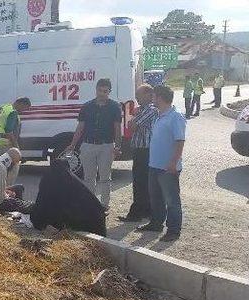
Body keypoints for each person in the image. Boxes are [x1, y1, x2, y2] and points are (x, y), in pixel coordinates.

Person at [137, 85, 186, 242]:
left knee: (172, 200)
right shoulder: (159, 115)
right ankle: (156, 223)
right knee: (156, 197)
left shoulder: (175, 116)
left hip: (168, 168)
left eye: (154, 96)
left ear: (160, 98)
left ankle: (173, 230)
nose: (152, 99)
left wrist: (173, 162)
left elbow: (180, 141)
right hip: (154, 165)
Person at [65, 78, 122, 208]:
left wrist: (118, 146)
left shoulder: (115, 107)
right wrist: (73, 144)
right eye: (100, 90)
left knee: (105, 178)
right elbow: (80, 127)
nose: (102, 94)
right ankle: (90, 204)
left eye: (105, 91)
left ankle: (104, 205)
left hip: (106, 146)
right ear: (96, 90)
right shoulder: (86, 106)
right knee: (89, 178)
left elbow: (117, 128)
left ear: (109, 92)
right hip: (88, 145)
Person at [30, 159, 106, 236]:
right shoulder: (74, 181)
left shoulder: (49, 179)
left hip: (84, 226)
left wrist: (39, 221)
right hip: (98, 225)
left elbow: (42, 206)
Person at [118, 84, 159, 222]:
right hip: (139, 150)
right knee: (140, 181)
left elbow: (132, 125)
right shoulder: (142, 109)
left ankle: (137, 213)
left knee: (141, 181)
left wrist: (134, 120)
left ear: (149, 95)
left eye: (139, 96)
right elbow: (131, 125)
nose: (137, 99)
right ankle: (144, 210)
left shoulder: (151, 110)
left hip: (145, 150)